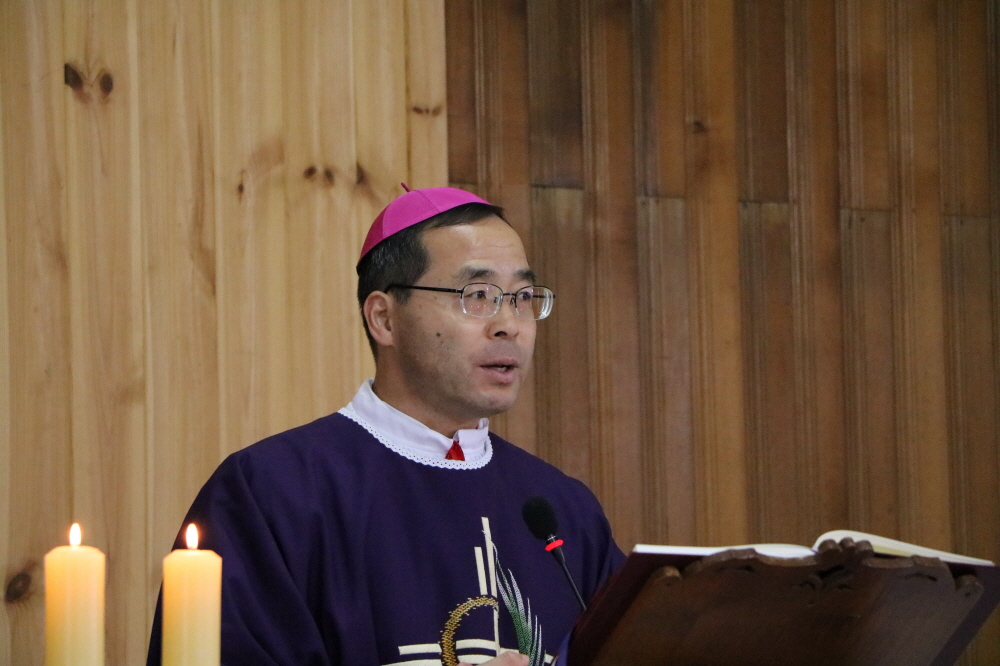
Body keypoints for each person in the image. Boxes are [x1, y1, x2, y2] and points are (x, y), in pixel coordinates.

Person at [146, 186, 625, 666]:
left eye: (522, 298)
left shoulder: (564, 511)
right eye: (477, 295)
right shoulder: (273, 493)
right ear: (384, 319)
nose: (509, 324)